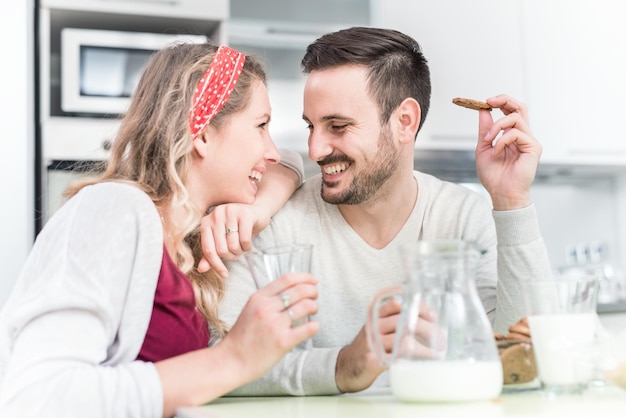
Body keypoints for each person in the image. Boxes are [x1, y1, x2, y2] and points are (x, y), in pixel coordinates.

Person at [218, 26, 552, 395]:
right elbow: (217, 361)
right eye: (311, 126)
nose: (315, 149)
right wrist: (343, 366)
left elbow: (525, 351)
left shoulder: (463, 216)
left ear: (404, 122)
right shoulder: (275, 221)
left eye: (338, 126)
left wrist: (511, 201)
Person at [0, 42, 320, 417]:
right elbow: (34, 400)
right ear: (201, 135)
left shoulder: (185, 239)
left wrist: (260, 210)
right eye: (261, 126)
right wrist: (232, 360)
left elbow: (292, 164)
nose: (271, 150)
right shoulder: (112, 208)